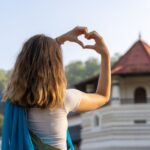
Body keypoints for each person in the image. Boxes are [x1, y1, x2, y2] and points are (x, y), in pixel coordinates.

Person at [2, 26, 111, 150]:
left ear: (21, 64)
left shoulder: (16, 99)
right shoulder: (65, 99)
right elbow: (103, 96)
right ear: (56, 66)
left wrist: (60, 40)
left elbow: (37, 56)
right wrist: (105, 55)